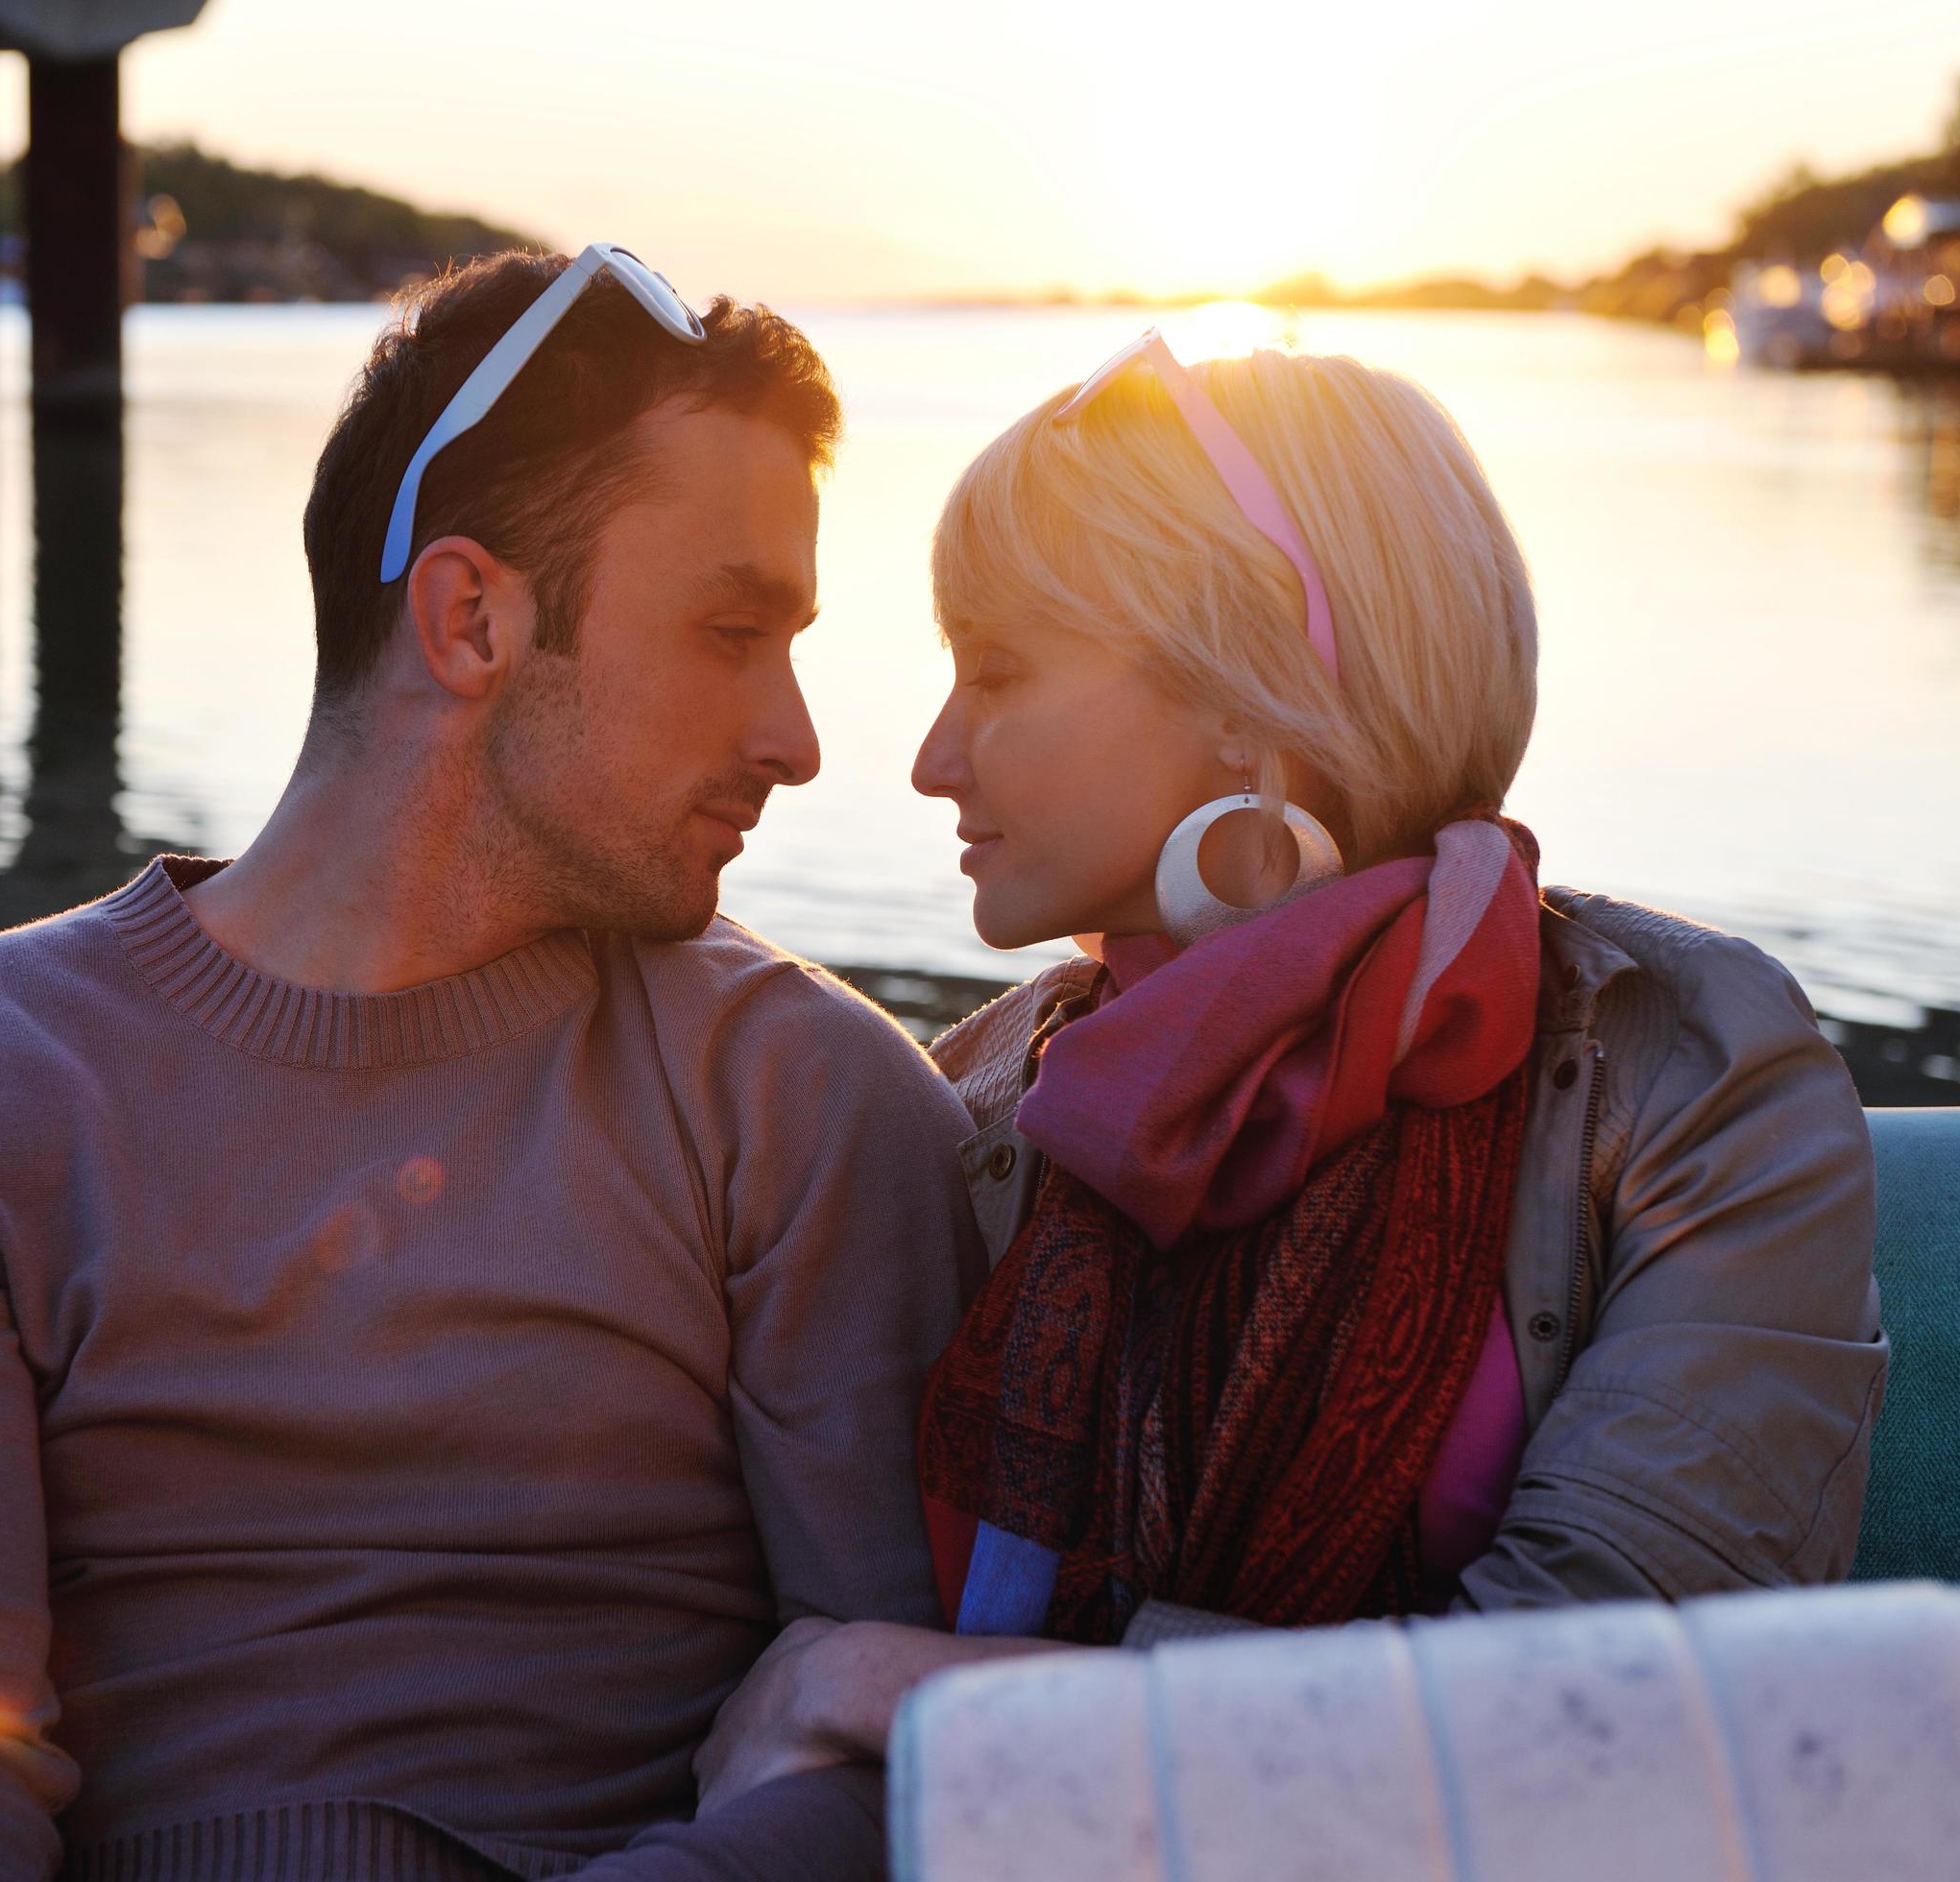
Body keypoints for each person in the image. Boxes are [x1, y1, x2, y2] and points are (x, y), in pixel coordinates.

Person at [0, 248, 986, 1881]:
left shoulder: (802, 1100)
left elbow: (875, 1763)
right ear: (471, 618)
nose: (798, 737)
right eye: (731, 629)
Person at [692, 331, 1888, 1810]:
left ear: (1252, 706)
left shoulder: (1694, 1074)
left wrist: (903, 1689)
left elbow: (1601, 1727)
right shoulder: (983, 1099)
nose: (933, 757)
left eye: (996, 669)